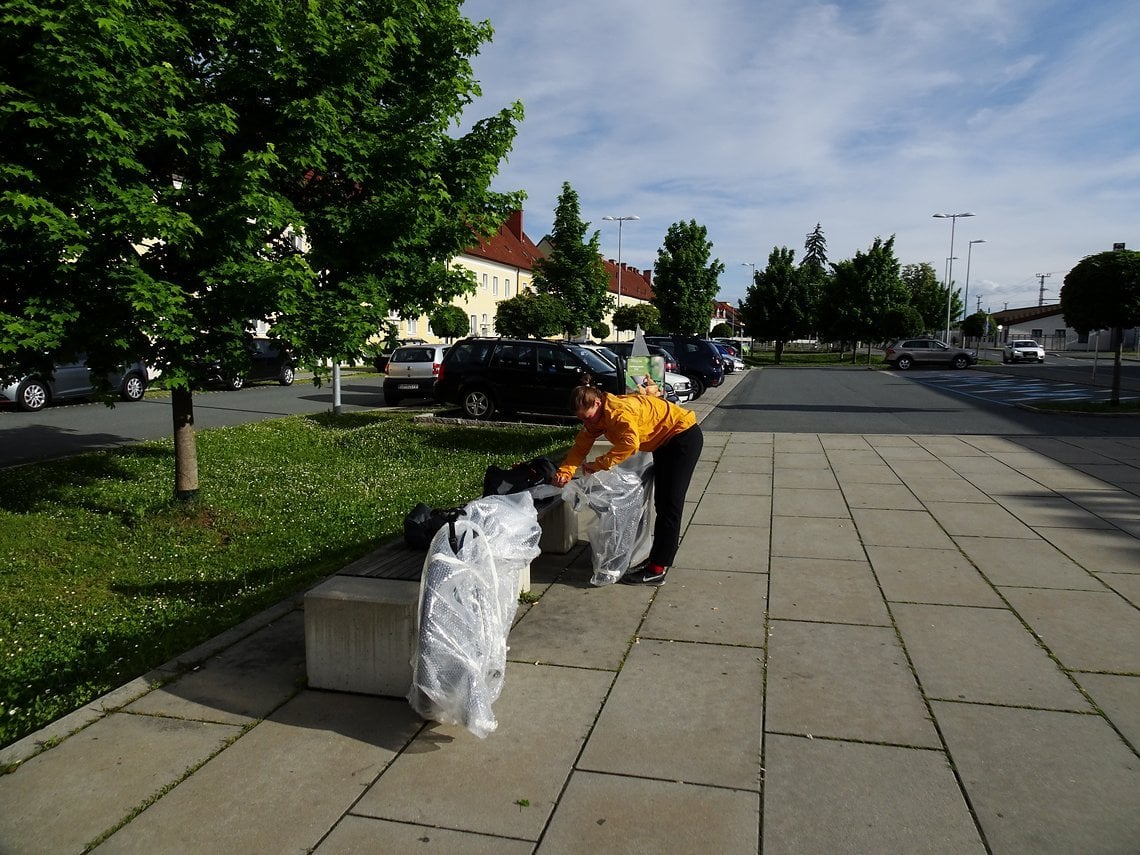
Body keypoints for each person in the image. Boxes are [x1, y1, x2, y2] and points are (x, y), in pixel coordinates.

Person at [550, 380, 703, 586]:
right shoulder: (598, 417)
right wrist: (565, 471)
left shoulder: (618, 412)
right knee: (662, 503)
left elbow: (630, 444)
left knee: (670, 507)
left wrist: (599, 464)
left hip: (681, 439)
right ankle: (657, 559)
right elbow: (581, 445)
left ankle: (657, 570)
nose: (586, 424)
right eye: (581, 420)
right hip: (664, 443)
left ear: (596, 402)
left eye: (587, 418)